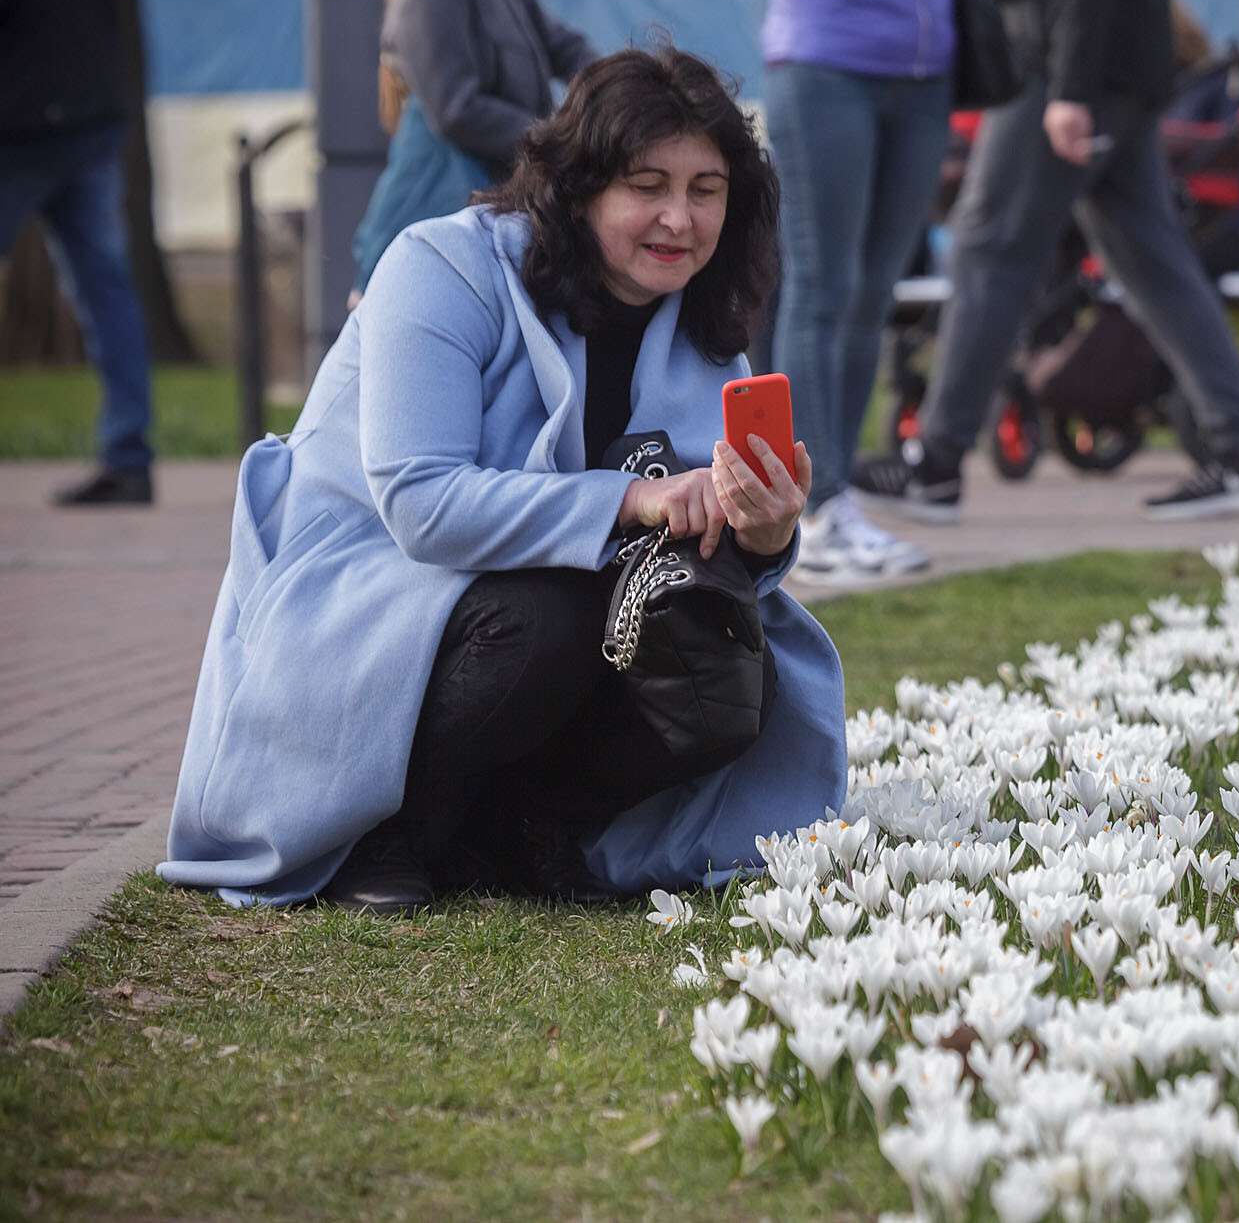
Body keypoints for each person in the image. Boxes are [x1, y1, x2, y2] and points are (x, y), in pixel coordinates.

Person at [157, 48, 845, 914]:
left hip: (530, 605)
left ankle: (529, 828)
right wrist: (633, 499)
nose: (679, 217)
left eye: (706, 189)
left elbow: (702, 543)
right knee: (552, 618)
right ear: (581, 185)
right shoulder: (440, 267)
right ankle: (381, 827)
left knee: (724, 652)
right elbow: (420, 501)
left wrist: (764, 529)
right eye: (647, 184)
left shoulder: (706, 332)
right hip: (361, 593)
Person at [852, 0, 1239, 523]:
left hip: (1065, 72)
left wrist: (1071, 89)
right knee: (1150, 260)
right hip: (1106, 70)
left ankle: (935, 465)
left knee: (987, 246)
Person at [719, 0, 978, 586]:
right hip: (825, 63)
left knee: (872, 296)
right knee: (823, 287)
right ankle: (811, 504)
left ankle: (840, 503)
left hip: (923, 71)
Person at [349, 0, 596, 298]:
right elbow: (458, 111)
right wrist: (564, 140)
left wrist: (619, 90)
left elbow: (564, 47)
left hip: (481, 220)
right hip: (428, 236)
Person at [0, 0, 156, 506]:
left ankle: (127, 454)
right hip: (91, 105)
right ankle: (129, 456)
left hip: (20, 117)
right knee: (105, 288)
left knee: (105, 288)